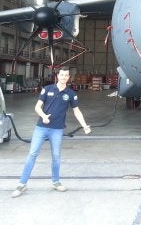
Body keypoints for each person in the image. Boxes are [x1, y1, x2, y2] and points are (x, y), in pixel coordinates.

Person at [11, 66, 91, 198]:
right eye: (62, 75)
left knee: (56, 156)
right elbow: (37, 107)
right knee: (32, 154)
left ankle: (56, 182)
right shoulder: (47, 89)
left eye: (66, 75)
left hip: (57, 130)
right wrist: (43, 116)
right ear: (57, 76)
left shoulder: (71, 94)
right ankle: (21, 184)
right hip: (41, 128)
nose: (64, 77)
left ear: (69, 77)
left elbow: (76, 111)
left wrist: (84, 125)